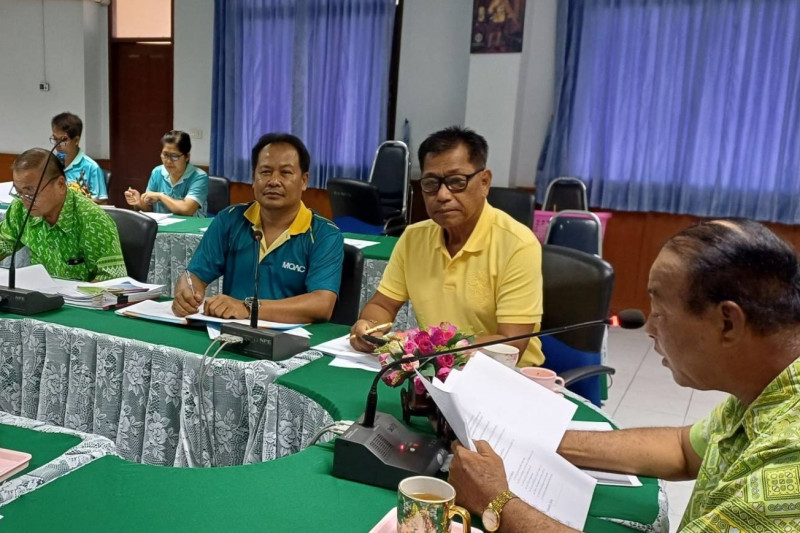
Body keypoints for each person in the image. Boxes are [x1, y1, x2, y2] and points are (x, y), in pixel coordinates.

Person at [448, 219, 800, 532]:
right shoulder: (765, 387)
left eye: (660, 312)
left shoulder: (791, 461)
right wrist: (533, 439)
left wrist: (497, 502)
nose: (650, 328)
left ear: (728, 323)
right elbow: (682, 449)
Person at [350, 126, 544, 366]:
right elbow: (382, 304)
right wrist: (369, 327)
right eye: (431, 183)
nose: (442, 195)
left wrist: (431, 351)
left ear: (484, 182)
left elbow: (510, 344)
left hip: (506, 375)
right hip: (432, 371)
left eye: (456, 182)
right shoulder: (413, 238)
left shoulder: (517, 244)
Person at [171, 133, 343, 323]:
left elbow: (322, 304)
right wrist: (186, 293)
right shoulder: (230, 219)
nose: (274, 181)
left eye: (285, 173)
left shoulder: (324, 233)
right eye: (265, 172)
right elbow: (194, 275)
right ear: (253, 178)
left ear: (304, 180)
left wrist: (248, 308)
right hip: (230, 332)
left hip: (294, 337)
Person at [0, 149, 126, 282]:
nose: (24, 200)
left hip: (80, 294)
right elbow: (3, 242)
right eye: (18, 192)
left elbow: (112, 281)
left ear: (60, 184)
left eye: (30, 193)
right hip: (39, 290)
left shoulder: (92, 219)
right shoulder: (20, 208)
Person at [124, 130, 208, 217]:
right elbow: (149, 209)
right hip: (162, 225)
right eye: (165, 155)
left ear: (187, 157)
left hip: (191, 225)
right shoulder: (157, 172)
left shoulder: (199, 176)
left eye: (174, 156)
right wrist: (138, 203)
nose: (168, 161)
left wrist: (161, 196)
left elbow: (187, 209)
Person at [50, 112, 108, 204]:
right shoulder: (51, 163)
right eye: (55, 139)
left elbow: (102, 202)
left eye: (63, 140)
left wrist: (76, 200)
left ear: (76, 140)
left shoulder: (91, 167)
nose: (58, 145)